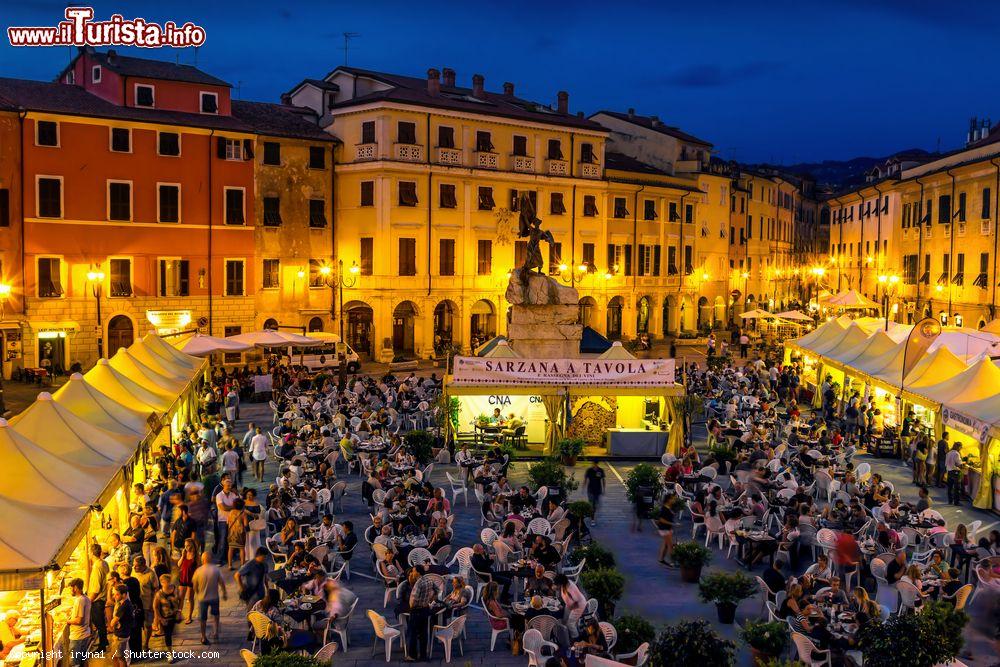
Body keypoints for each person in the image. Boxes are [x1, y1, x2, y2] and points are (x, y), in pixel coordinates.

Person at [406, 568, 442, 661]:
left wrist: (411, 606)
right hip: (425, 609)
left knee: (413, 633)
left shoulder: (418, 583)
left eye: (413, 571)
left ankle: (412, 656)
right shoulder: (428, 580)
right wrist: (431, 598)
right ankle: (423, 655)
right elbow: (438, 590)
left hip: (416, 610)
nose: (412, 572)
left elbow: (414, 600)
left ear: (417, 572)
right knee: (423, 634)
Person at [192, 552, 227, 644]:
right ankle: (215, 632)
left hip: (202, 598)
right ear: (211, 559)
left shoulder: (198, 571)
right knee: (216, 615)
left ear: (202, 559)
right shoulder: (215, 569)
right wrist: (224, 593)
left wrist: (197, 593)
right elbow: (222, 583)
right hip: (214, 597)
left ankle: (203, 636)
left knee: (203, 618)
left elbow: (194, 585)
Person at [152, 574, 181, 663]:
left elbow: (181, 599)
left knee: (172, 633)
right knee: (168, 635)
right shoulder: (159, 594)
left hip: (175, 615)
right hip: (165, 618)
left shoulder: (175, 589)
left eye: (169, 581)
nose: (168, 584)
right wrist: (160, 619)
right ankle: (170, 653)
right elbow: (155, 607)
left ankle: (169, 648)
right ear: (161, 583)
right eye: (166, 582)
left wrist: (179, 611)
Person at [88, 543, 110, 651]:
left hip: (97, 599)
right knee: (100, 622)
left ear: (92, 553)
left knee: (99, 622)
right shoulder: (104, 563)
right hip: (102, 597)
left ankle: (102, 646)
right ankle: (104, 640)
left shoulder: (97, 567)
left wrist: (88, 602)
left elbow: (96, 589)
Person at [66, 578, 92, 667]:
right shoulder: (86, 598)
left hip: (78, 636)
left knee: (74, 663)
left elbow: (78, 620)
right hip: (84, 634)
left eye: (70, 588)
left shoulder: (79, 600)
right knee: (83, 660)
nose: (70, 591)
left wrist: (67, 621)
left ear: (76, 588)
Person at [108, 585, 134, 667]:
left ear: (124, 595)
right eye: (114, 594)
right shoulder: (126, 603)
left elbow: (113, 623)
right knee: (114, 656)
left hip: (120, 636)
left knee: (120, 657)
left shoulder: (123, 606)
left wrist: (112, 622)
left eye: (117, 594)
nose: (114, 596)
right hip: (121, 634)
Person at [176, 539, 199, 623]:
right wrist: (182, 556)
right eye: (185, 546)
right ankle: (179, 615)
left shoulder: (196, 555)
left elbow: (199, 568)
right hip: (183, 578)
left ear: (192, 545)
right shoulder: (184, 553)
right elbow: (179, 564)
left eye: (188, 545)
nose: (186, 547)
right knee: (180, 597)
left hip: (191, 580)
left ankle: (189, 616)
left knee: (190, 598)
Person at [655, 495, 678, 567]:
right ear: (668, 500)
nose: (674, 500)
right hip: (665, 529)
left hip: (667, 528)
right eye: (672, 499)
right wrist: (673, 524)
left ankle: (661, 559)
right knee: (670, 546)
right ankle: (673, 562)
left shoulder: (669, 507)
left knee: (665, 545)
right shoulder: (664, 508)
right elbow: (661, 519)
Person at [584, 461, 605, 526]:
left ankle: (592, 513)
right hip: (590, 490)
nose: (594, 465)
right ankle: (592, 519)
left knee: (595, 504)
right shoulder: (589, 470)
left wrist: (604, 489)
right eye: (593, 464)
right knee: (592, 504)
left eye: (595, 464)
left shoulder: (600, 470)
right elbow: (586, 479)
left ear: (597, 464)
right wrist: (583, 486)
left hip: (598, 490)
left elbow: (603, 480)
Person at [945, 441, 964, 506]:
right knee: (957, 488)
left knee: (950, 488)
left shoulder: (949, 453)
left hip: (949, 471)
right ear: (958, 447)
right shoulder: (956, 453)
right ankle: (956, 502)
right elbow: (959, 464)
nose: (961, 448)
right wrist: (963, 464)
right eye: (961, 447)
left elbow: (946, 463)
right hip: (955, 472)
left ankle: (950, 500)